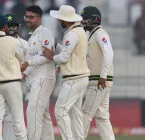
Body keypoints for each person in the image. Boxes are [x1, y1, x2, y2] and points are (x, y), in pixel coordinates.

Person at [42, 5, 90, 140]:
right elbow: (73, 54)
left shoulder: (72, 34)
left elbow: (64, 57)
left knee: (60, 111)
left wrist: (51, 55)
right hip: (80, 77)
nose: (58, 21)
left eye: (60, 19)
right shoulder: (79, 31)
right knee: (75, 113)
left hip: (74, 79)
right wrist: (58, 50)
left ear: (65, 19)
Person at [21, 5, 56, 140]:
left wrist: (27, 64)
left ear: (39, 19)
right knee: (44, 114)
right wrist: (24, 72)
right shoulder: (31, 39)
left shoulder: (45, 33)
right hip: (36, 78)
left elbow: (47, 57)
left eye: (31, 17)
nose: (27, 20)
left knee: (33, 110)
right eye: (26, 17)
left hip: (45, 77)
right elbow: (31, 61)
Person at [81, 6, 115, 140]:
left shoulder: (100, 33)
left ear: (94, 19)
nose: (83, 22)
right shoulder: (91, 34)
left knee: (85, 113)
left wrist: (103, 76)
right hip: (99, 80)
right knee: (102, 116)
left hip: (99, 81)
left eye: (85, 19)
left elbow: (109, 53)